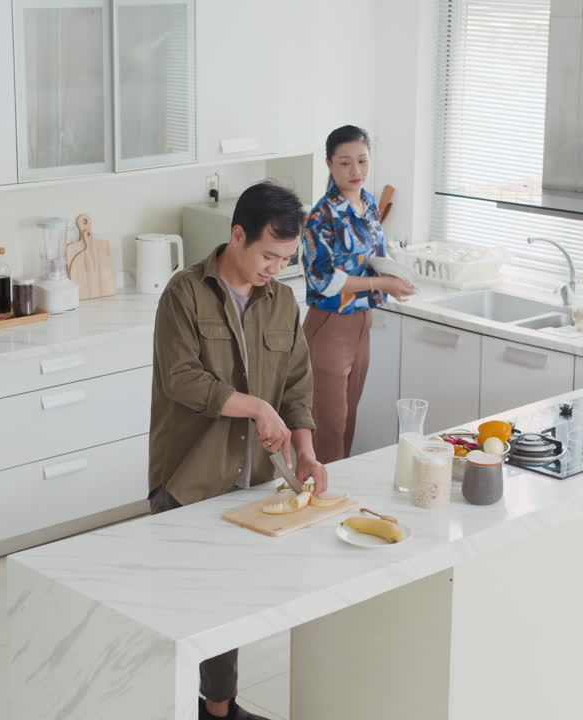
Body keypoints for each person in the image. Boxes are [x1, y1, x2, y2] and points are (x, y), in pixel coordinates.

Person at [148, 181, 328, 720]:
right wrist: (254, 407)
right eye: (268, 255)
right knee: (187, 609)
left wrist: (307, 449)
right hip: (189, 478)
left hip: (249, 479)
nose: (276, 267)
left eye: (286, 258)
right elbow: (180, 379)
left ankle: (219, 710)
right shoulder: (183, 294)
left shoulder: (283, 300)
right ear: (237, 234)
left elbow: (296, 382)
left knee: (229, 603)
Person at [301, 125, 414, 464]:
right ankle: (318, 505)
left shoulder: (368, 203)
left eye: (363, 161)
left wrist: (394, 276)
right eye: (345, 163)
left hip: (362, 324)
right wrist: (382, 285)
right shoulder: (321, 217)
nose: (356, 171)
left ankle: (336, 505)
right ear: (329, 165)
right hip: (330, 327)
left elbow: (373, 257)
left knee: (348, 423)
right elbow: (325, 281)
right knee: (328, 427)